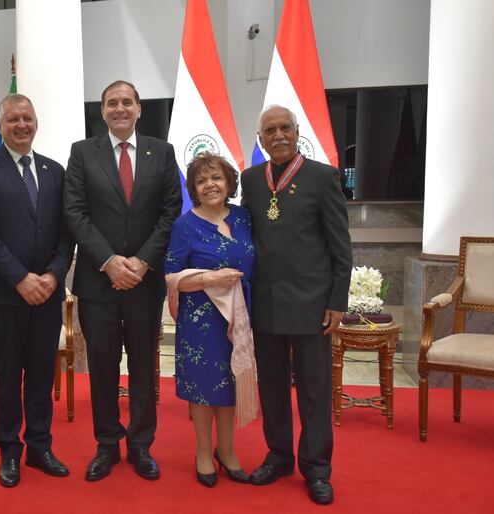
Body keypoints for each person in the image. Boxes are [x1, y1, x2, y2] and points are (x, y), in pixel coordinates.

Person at [63, 80, 182, 481]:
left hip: (145, 284)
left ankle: (141, 446)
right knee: (102, 368)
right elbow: (75, 212)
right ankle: (107, 446)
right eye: (112, 102)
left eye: (126, 102)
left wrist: (143, 262)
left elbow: (171, 211)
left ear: (138, 109)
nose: (119, 108)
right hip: (98, 284)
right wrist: (110, 261)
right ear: (102, 110)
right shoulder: (83, 152)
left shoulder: (162, 152)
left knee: (144, 369)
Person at [240, 105, 352, 505]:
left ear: (297, 131)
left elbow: (341, 246)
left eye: (285, 127)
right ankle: (279, 456)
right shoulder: (251, 179)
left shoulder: (322, 177)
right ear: (261, 139)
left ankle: (317, 469)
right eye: (270, 130)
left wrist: (337, 301)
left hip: (311, 306)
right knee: (271, 388)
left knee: (314, 391)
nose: (278, 135)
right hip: (266, 307)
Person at [0, 94, 74, 488]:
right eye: (13, 119)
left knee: (43, 373)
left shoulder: (54, 170)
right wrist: (21, 279)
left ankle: (40, 447)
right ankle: (9, 451)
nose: (22, 125)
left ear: (36, 122)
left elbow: (66, 233)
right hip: (5, 294)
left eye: (28, 118)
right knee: (9, 376)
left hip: (48, 292)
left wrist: (53, 275)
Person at [164, 153, 257, 488]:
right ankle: (203, 451)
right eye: (202, 180)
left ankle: (227, 450)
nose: (210, 185)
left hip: (241, 317)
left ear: (229, 182)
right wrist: (208, 279)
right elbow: (171, 277)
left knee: (232, 382)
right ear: (194, 189)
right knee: (204, 388)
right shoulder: (184, 225)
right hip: (201, 321)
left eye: (216, 178)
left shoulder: (245, 218)